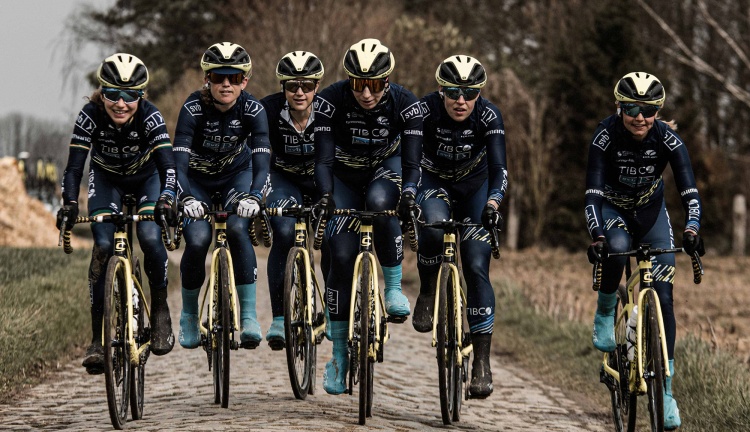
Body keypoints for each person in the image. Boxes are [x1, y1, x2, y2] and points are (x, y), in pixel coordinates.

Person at [585, 72, 705, 430]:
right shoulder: (605, 136)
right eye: (632, 109)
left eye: (648, 110)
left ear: (658, 111)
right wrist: (597, 235)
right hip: (613, 210)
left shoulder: (668, 139)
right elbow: (592, 193)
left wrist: (692, 229)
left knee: (664, 297)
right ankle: (606, 310)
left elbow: (689, 191)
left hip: (652, 215)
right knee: (618, 248)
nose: (640, 117)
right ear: (619, 107)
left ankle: (666, 392)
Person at [56, 53, 178, 374]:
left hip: (147, 180)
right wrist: (69, 203)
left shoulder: (150, 116)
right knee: (102, 244)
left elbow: (168, 167)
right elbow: (74, 168)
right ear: (101, 92)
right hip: (106, 180)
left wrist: (167, 199)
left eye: (130, 96)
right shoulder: (90, 115)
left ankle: (160, 309)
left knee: (149, 235)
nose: (121, 104)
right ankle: (97, 340)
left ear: (142, 96)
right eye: (112, 94)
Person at [313, 38, 423, 394]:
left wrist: (409, 193)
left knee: (380, 203)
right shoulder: (330, 100)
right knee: (341, 254)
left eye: (374, 85)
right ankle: (338, 357)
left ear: (386, 81)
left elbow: (412, 162)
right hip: (344, 176)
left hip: (385, 169)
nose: (365, 93)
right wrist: (326, 197)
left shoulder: (406, 103)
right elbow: (323, 160)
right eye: (358, 84)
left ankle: (393, 289)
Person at [412, 55, 507, 398]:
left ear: (480, 93)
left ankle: (481, 362)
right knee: (432, 227)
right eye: (453, 92)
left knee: (477, 266)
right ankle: (427, 290)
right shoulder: (424, 111)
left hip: (475, 189)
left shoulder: (489, 116)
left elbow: (499, 169)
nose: (461, 100)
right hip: (433, 181)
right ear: (441, 90)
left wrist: (493, 204)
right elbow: (409, 159)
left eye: (470, 93)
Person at [174, 42, 271, 350]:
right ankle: (189, 315)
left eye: (234, 77)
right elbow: (178, 164)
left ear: (245, 81)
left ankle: (249, 316)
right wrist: (186, 198)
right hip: (197, 180)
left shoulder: (254, 110)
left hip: (236, 176)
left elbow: (263, 162)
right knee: (198, 239)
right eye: (218, 77)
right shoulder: (192, 108)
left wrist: (255, 196)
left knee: (238, 228)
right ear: (207, 79)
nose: (226, 84)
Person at [260, 51, 325, 350]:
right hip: (284, 178)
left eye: (307, 86)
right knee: (284, 232)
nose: (300, 92)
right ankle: (278, 318)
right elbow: (257, 153)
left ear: (317, 86)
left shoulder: (328, 110)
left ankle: (333, 310)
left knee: (335, 240)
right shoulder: (268, 109)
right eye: (292, 85)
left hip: (320, 179)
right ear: (282, 86)